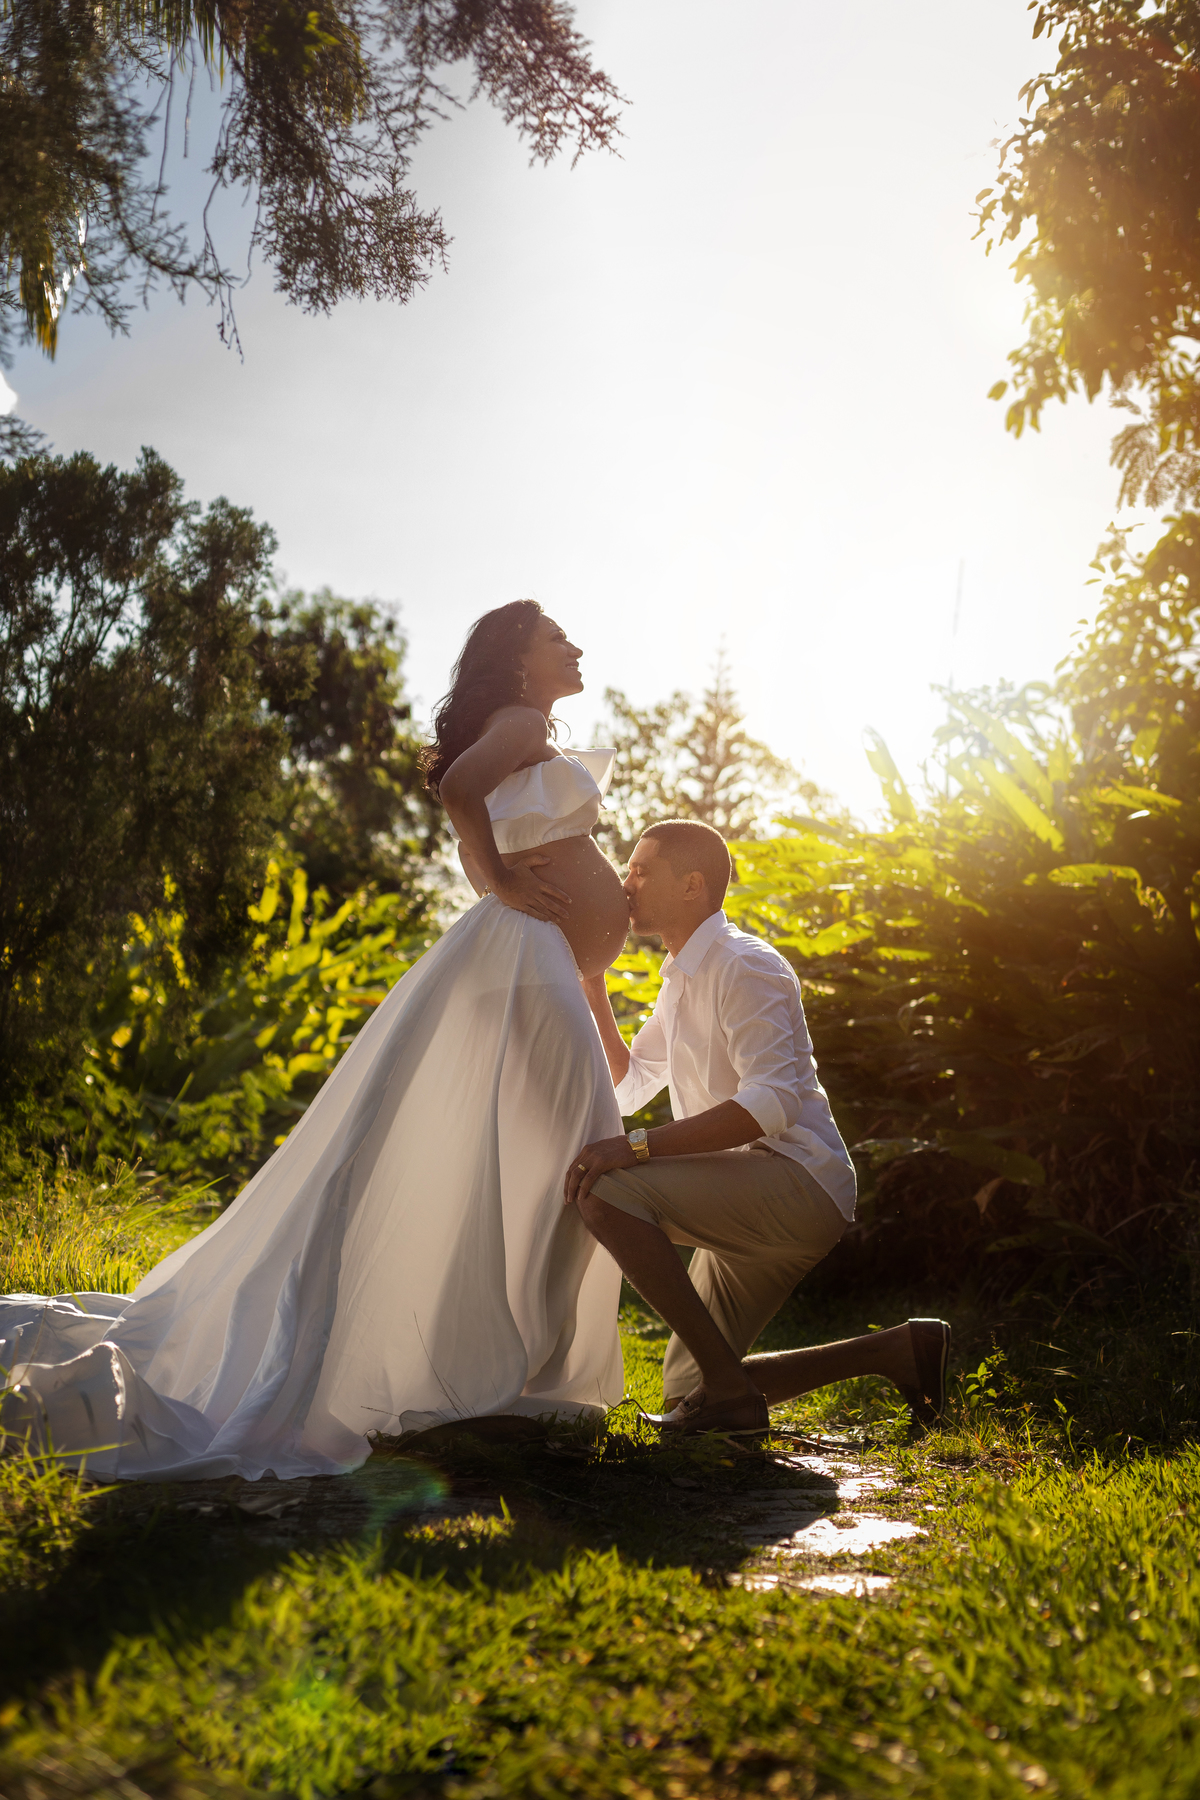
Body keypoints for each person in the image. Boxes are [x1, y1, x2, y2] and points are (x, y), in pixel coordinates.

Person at [0, 602, 633, 1479]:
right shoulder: (522, 722)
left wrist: (557, 941)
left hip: (537, 964)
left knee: (544, 1155)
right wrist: (500, 884)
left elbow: (479, 812)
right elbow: (455, 797)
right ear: (518, 657)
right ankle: (534, 1374)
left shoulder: (521, 732)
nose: (575, 645)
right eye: (557, 635)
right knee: (578, 1150)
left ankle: (513, 1369)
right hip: (526, 960)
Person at [567, 820, 951, 1436]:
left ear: (692, 885)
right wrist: (593, 985)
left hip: (796, 1184)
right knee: (688, 1390)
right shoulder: (680, 977)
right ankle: (897, 1353)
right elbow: (633, 1082)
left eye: (641, 870)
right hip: (749, 1186)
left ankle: (731, 1394)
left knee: (606, 1191)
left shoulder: (744, 965)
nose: (624, 881)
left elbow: (770, 1104)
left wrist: (635, 1148)